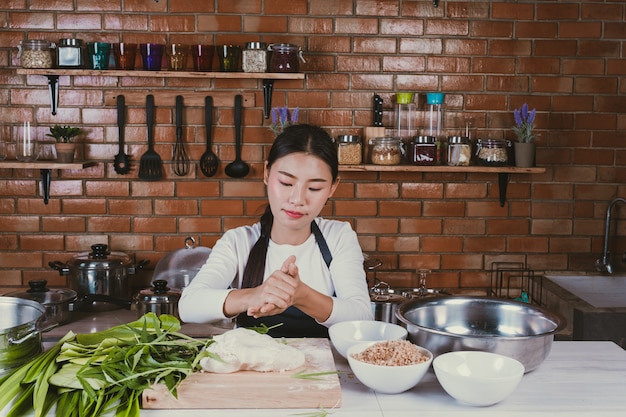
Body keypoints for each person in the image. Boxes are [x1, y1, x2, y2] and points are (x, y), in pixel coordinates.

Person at [179, 124, 373, 337]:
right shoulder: (238, 242)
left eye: (314, 188)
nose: (297, 199)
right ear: (266, 173)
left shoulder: (338, 237)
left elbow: (362, 317)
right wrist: (255, 295)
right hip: (251, 367)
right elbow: (188, 306)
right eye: (286, 183)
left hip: (323, 368)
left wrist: (300, 296)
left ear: (333, 187)